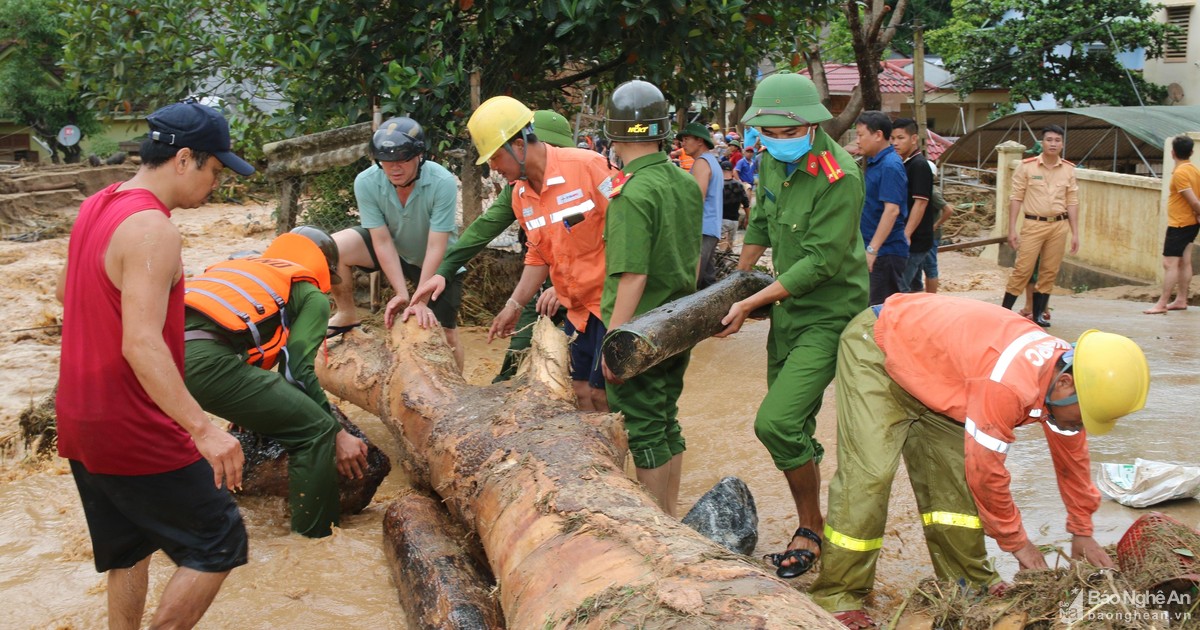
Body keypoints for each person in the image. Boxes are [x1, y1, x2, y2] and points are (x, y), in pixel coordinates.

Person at [810, 293, 1149, 629]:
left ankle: (969, 582)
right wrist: (1020, 545)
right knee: (870, 477)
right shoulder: (1008, 385)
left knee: (953, 484)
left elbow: (1073, 460)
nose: (1079, 426)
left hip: (943, 370)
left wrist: (1082, 530)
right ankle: (839, 596)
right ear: (1064, 383)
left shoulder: (1071, 376)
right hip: (882, 347)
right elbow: (986, 473)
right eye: (1081, 418)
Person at [56, 98, 254, 629]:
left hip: (80, 417)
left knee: (129, 547)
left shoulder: (98, 204)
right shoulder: (154, 230)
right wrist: (204, 430)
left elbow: (64, 291)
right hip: (132, 422)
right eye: (215, 169)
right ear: (185, 159)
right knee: (220, 541)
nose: (216, 183)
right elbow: (142, 345)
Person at [716, 72, 868, 579]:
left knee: (774, 422)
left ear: (810, 124)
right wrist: (734, 286)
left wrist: (751, 301)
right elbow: (761, 223)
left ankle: (812, 525)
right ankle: (813, 520)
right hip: (787, 313)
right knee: (794, 426)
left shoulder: (839, 176)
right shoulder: (768, 161)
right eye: (770, 133)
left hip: (829, 314)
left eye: (787, 133)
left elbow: (821, 263)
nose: (777, 143)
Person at [183, 227, 369, 538]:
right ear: (324, 267)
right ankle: (316, 538)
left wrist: (248, 414)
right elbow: (297, 369)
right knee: (315, 431)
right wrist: (337, 433)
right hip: (202, 363)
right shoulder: (309, 293)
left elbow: (237, 340)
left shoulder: (241, 267)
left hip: (151, 363)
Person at [458, 96, 617, 411]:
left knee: (605, 394)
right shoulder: (520, 194)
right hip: (577, 311)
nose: (492, 167)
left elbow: (629, 229)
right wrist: (514, 306)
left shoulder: (591, 167)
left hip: (611, 305)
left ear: (518, 146)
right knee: (580, 392)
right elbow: (538, 255)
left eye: (494, 157)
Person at [406, 110, 577, 383]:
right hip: (544, 288)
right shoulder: (518, 189)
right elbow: (481, 232)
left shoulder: (583, 179)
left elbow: (607, 249)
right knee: (516, 358)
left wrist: (569, 287)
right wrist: (444, 271)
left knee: (582, 373)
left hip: (592, 293)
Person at [600, 79, 702, 517]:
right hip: (680, 322)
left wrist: (613, 346)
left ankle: (656, 527)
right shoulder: (684, 183)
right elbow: (693, 259)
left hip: (638, 331)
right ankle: (671, 515)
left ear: (614, 133)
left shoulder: (631, 194)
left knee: (642, 430)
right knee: (665, 420)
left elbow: (632, 276)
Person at [329, 117, 465, 369]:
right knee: (334, 247)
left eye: (402, 159)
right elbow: (381, 241)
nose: (394, 168)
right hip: (394, 250)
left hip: (436, 261)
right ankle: (347, 313)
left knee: (445, 333)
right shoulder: (366, 182)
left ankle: (458, 388)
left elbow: (437, 245)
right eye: (387, 161)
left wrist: (419, 300)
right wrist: (402, 293)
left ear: (419, 156)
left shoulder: (442, 182)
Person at [1001, 125, 1079, 327]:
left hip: (1059, 226)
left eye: (1057, 140)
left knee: (1049, 271)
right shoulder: (1027, 167)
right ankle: (1003, 312)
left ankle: (1038, 315)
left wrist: (1075, 233)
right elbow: (1016, 198)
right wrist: (1011, 229)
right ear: (1042, 143)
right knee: (1023, 269)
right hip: (1033, 224)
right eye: (1049, 140)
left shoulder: (1069, 169)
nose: (1053, 144)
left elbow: (1072, 201)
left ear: (1062, 144)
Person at [855, 110, 909, 305]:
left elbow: (892, 210)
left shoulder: (890, 165)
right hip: (874, 249)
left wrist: (872, 250)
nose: (858, 140)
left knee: (879, 312)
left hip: (885, 253)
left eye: (861, 135)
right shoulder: (873, 163)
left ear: (878, 135)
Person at [1145, 135, 1200, 314]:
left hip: (1180, 224)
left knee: (1170, 263)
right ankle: (1181, 299)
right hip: (1190, 222)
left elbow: (1193, 201)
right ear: (1191, 152)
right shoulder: (1194, 170)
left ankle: (1162, 303)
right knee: (1185, 261)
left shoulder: (1181, 173)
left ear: (1172, 153)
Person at [891, 118, 935, 293]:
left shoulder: (919, 165)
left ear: (914, 138)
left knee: (900, 287)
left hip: (915, 239)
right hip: (914, 238)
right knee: (914, 287)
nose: (895, 143)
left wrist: (906, 234)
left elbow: (921, 202)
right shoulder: (906, 162)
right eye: (893, 138)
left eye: (901, 138)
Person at [679, 122, 723, 288]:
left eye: (686, 139)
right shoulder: (712, 162)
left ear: (700, 141)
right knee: (707, 281)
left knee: (692, 281)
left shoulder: (701, 163)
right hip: (711, 228)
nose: (683, 144)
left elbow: (697, 199)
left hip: (701, 228)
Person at [719, 159, 750, 252]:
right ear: (732, 171)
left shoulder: (718, 184)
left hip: (721, 220)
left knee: (721, 248)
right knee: (729, 247)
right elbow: (746, 204)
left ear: (720, 170)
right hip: (734, 221)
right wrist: (748, 218)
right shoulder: (739, 185)